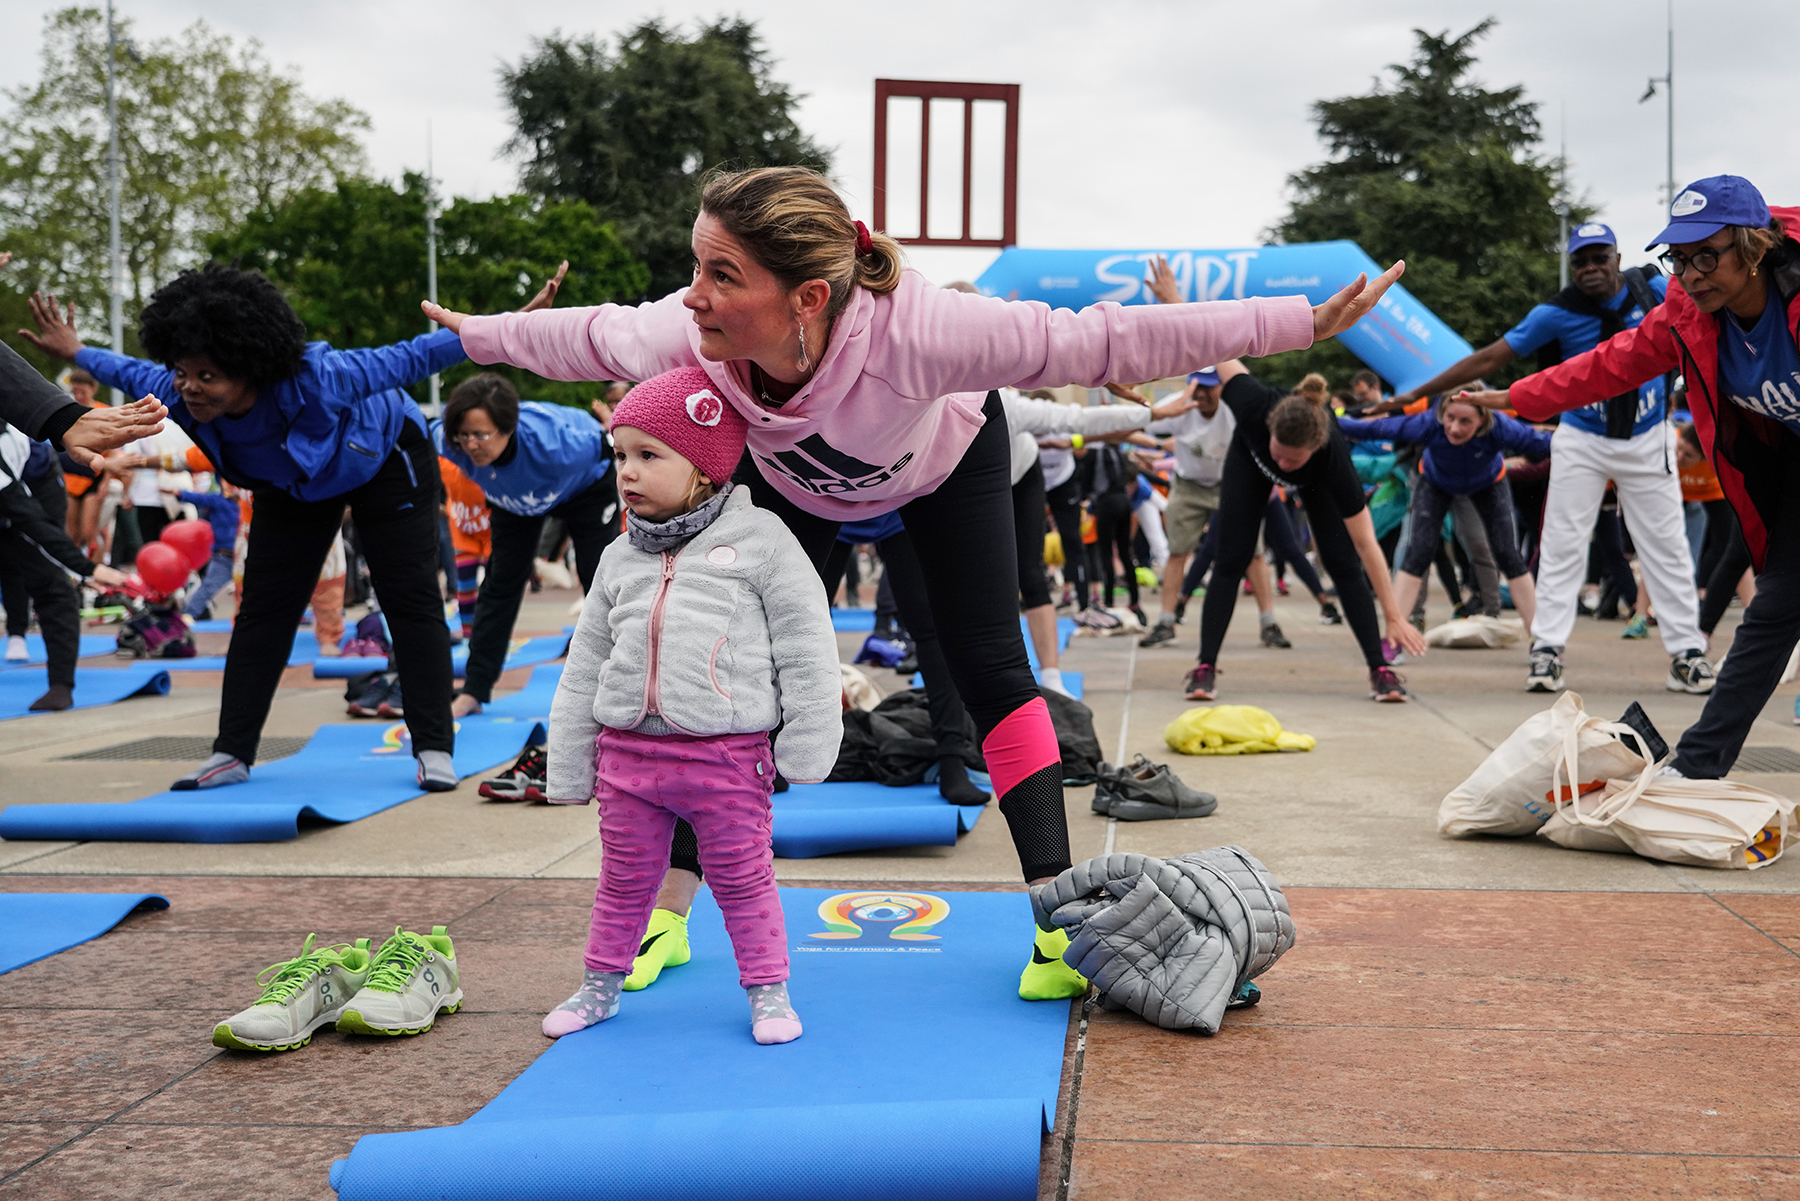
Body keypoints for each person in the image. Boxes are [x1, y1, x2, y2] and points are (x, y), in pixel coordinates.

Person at [426, 164, 1402, 998]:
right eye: (696, 266)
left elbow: (1088, 341)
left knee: (990, 671)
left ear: (807, 295)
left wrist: (1297, 321)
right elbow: (588, 336)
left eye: (721, 274)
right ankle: (670, 915)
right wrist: (472, 335)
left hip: (945, 470)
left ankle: (1057, 925)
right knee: (718, 670)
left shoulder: (921, 330)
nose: (693, 294)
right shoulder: (693, 338)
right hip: (802, 486)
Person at [21, 263, 560, 790]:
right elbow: (128, 370)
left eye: (209, 377)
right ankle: (230, 752)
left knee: (410, 597)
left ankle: (434, 746)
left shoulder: (322, 379)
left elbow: (414, 356)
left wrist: (510, 328)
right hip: (293, 486)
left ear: (251, 367)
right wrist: (75, 352)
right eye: (184, 374)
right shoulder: (178, 391)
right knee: (262, 611)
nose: (191, 389)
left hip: (384, 459)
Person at [1459, 176, 1795, 779]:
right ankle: (1694, 769)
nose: (1690, 274)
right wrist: (1516, 397)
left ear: (1754, 248)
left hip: (1664, 450)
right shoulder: (1687, 317)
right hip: (1779, 473)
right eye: (1679, 258)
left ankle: (1691, 705)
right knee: (1773, 614)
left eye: (1706, 256)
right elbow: (1605, 366)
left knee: (1735, 587)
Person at [541, 367, 840, 1045]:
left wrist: (808, 743)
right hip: (628, 756)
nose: (628, 472)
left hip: (725, 756)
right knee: (622, 883)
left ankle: (768, 992)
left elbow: (806, 641)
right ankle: (598, 989)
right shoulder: (619, 555)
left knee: (743, 880)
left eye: (650, 456)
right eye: (621, 456)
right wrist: (568, 764)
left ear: (704, 466)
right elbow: (585, 663)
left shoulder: (762, 540)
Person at [1382, 222, 1711, 695]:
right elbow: (1487, 360)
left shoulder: (1655, 288)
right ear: (1571, 266)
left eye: (1600, 257)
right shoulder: (1556, 314)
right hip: (1582, 436)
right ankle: (1547, 650)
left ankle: (1687, 653)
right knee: (1561, 543)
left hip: (1647, 435)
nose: (1592, 268)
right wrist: (1411, 396)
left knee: (1667, 544)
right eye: (1581, 261)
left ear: (1618, 258)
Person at [1186, 361, 1428, 704]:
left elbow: (1367, 544)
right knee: (1231, 557)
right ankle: (1204, 666)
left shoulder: (1333, 459)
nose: (1283, 465)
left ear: (1314, 449)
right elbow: (1218, 345)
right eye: (1280, 455)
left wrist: (1394, 616)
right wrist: (1171, 306)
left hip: (1316, 483)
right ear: (1271, 431)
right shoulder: (1253, 403)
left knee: (1342, 563)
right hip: (1249, 462)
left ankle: (1379, 669)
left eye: (1292, 460)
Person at [434, 373, 617, 717]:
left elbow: (616, 448)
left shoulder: (561, 444)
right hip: (515, 500)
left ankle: (616, 681)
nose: (471, 445)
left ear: (507, 429)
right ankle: (475, 688)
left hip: (584, 488)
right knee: (501, 584)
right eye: (464, 435)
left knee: (597, 579)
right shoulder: (449, 443)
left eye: (481, 435)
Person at [1339, 396, 1548, 636]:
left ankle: (1540, 640)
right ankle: (1394, 637)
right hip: (1436, 482)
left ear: (1482, 420)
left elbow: (1545, 443)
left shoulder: (1500, 427)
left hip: (1487, 483)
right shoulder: (1429, 423)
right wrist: (1329, 419)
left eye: (1465, 421)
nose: (1455, 428)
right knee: (1418, 552)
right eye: (1450, 418)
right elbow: (1371, 429)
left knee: (1506, 553)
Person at [0, 422, 128, 708]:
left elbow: (32, 521)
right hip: (15, 487)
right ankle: (16, 633)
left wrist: (86, 568)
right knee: (9, 567)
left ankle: (61, 685)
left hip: (37, 488)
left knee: (46, 579)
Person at [438, 454, 491, 640]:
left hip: (491, 533)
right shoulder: (446, 467)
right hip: (464, 535)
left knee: (493, 588)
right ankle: (469, 633)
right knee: (465, 586)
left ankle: (493, 632)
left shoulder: (491, 471)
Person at [170, 485, 240, 620]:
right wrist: (180, 493)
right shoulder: (217, 500)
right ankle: (189, 614)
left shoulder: (249, 503)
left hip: (245, 554)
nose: (231, 488)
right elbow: (199, 498)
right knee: (208, 586)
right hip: (224, 554)